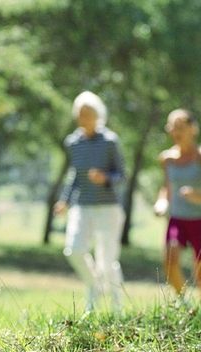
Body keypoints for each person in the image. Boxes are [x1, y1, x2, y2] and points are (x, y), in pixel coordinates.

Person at [54, 91, 126, 312]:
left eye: (88, 114)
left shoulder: (110, 141)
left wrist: (105, 178)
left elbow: (121, 175)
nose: (84, 118)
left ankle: (117, 307)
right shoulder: (73, 143)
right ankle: (94, 287)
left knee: (107, 259)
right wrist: (64, 200)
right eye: (80, 114)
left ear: (98, 115)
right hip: (82, 204)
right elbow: (74, 175)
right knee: (73, 250)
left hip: (108, 206)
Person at [154, 109, 201, 303]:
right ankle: (184, 304)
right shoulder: (167, 158)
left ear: (193, 129)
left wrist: (199, 196)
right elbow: (167, 187)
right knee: (170, 261)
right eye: (172, 127)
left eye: (181, 127)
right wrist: (162, 202)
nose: (176, 131)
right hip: (177, 218)